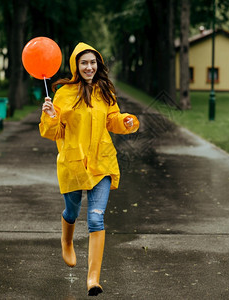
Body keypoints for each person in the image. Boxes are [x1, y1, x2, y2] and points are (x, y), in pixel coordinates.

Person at [39, 42, 139, 296]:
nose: (89, 67)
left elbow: (111, 119)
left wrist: (125, 121)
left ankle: (93, 279)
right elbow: (54, 132)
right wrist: (50, 115)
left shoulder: (105, 91)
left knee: (96, 218)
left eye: (93, 62)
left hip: (101, 162)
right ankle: (67, 240)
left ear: (99, 64)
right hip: (73, 163)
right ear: (76, 65)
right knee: (72, 211)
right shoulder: (64, 94)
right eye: (84, 62)